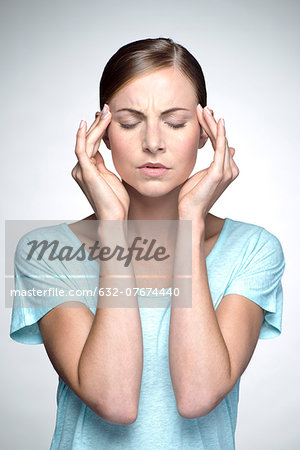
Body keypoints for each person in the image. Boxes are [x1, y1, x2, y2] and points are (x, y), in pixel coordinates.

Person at [10, 37, 286, 449]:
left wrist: (189, 222)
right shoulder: (45, 252)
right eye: (128, 122)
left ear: (205, 132)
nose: (153, 141)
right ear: (101, 132)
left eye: (175, 123)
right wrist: (113, 226)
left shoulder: (252, 249)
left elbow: (198, 396)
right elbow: (115, 399)